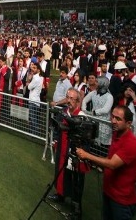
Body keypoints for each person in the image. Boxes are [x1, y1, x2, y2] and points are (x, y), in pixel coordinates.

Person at [76, 105, 136, 220]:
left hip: (122, 201)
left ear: (128, 123)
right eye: (113, 117)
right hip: (109, 193)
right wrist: (92, 160)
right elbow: (109, 159)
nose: (113, 121)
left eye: (118, 119)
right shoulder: (116, 135)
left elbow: (112, 164)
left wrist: (87, 155)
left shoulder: (132, 143)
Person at [47, 88, 89, 218]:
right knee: (60, 173)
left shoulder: (82, 116)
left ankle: (77, 210)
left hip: (75, 153)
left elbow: (86, 140)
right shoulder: (64, 112)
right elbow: (58, 128)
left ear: (77, 101)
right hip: (62, 148)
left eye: (72, 99)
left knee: (76, 181)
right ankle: (60, 195)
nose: (69, 101)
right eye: (68, 98)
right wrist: (55, 141)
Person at [82, 76, 114, 146]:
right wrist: (84, 110)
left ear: (102, 83)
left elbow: (106, 110)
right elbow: (84, 100)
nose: (95, 83)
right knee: (93, 144)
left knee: (103, 147)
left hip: (104, 125)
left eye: (97, 81)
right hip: (94, 122)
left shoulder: (109, 97)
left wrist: (93, 112)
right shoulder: (94, 93)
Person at [26, 62, 44, 136]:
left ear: (38, 70)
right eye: (32, 67)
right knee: (33, 118)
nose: (32, 69)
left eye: (34, 68)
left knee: (33, 119)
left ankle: (35, 134)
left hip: (33, 101)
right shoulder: (40, 78)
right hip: (35, 100)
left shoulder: (36, 78)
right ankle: (33, 133)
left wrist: (28, 81)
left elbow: (29, 87)